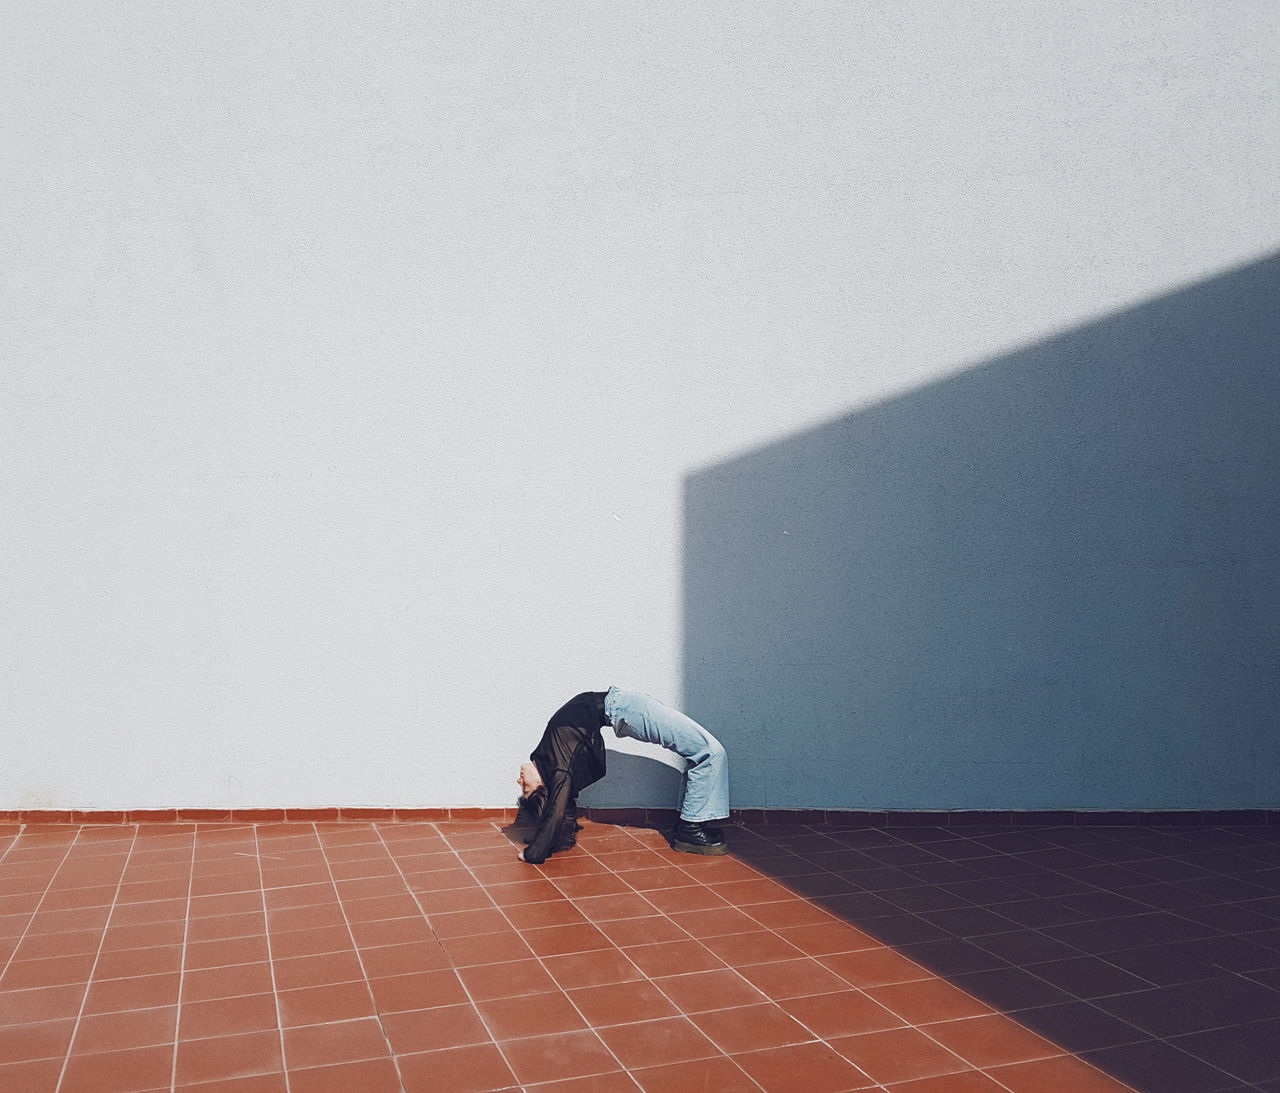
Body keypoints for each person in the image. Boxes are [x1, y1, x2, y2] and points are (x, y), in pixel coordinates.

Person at [516, 687, 729, 864]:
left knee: (699, 751)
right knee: (710, 751)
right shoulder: (558, 765)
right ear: (542, 785)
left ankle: (690, 824)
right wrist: (534, 853)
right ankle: (690, 829)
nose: (519, 781)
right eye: (526, 788)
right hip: (626, 709)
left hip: (626, 706)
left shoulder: (549, 753)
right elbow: (557, 808)